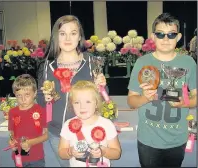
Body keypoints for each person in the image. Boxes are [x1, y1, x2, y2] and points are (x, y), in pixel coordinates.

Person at [127, 13, 197, 168]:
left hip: (177, 138)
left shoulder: (188, 62)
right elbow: (131, 101)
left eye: (171, 35)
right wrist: (145, 98)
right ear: (153, 36)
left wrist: (184, 103)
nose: (166, 39)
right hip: (148, 139)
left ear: (178, 37)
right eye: (160, 34)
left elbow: (195, 97)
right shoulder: (142, 62)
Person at [37, 15, 107, 166]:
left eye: (73, 33)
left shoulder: (91, 62)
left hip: (90, 132)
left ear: (79, 36)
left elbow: (103, 97)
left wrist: (102, 86)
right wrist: (45, 97)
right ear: (56, 36)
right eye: (62, 33)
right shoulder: (47, 67)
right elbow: (40, 100)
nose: (67, 38)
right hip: (58, 134)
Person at [58, 80, 121, 167]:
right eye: (77, 102)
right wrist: (70, 151)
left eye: (88, 102)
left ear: (96, 103)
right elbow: (61, 153)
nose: (82, 107)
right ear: (71, 104)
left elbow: (117, 153)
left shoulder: (107, 124)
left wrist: (104, 151)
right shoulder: (68, 125)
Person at [8, 74, 48, 167]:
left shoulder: (41, 111)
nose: (23, 99)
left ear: (34, 93)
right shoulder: (12, 112)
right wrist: (11, 140)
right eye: (19, 95)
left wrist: (30, 142)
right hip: (17, 156)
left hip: (36, 157)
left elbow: (47, 135)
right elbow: (11, 132)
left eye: (27, 95)